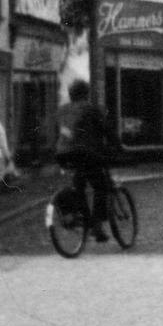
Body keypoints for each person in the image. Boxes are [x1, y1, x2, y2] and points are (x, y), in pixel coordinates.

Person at [53, 79, 119, 241]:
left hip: (62, 154)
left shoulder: (62, 110)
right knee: (101, 186)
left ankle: (82, 218)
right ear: (86, 94)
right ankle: (96, 226)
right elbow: (106, 129)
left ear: (70, 94)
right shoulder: (90, 108)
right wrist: (118, 146)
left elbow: (58, 132)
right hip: (85, 153)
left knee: (79, 185)